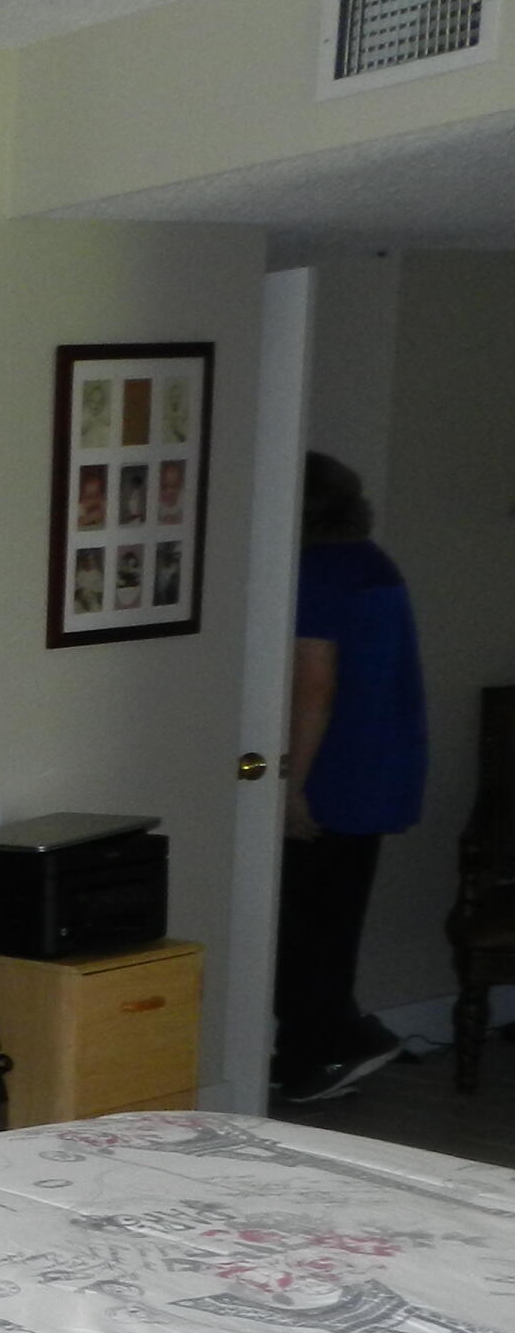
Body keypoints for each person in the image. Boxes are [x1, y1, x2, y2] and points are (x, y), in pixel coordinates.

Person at [275, 451, 426, 1103]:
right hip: (383, 759)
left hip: (337, 766)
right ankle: (331, 1038)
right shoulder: (372, 562)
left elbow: (316, 687)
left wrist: (290, 787)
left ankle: (330, 1043)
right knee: (332, 917)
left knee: (303, 923)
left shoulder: (316, 572)